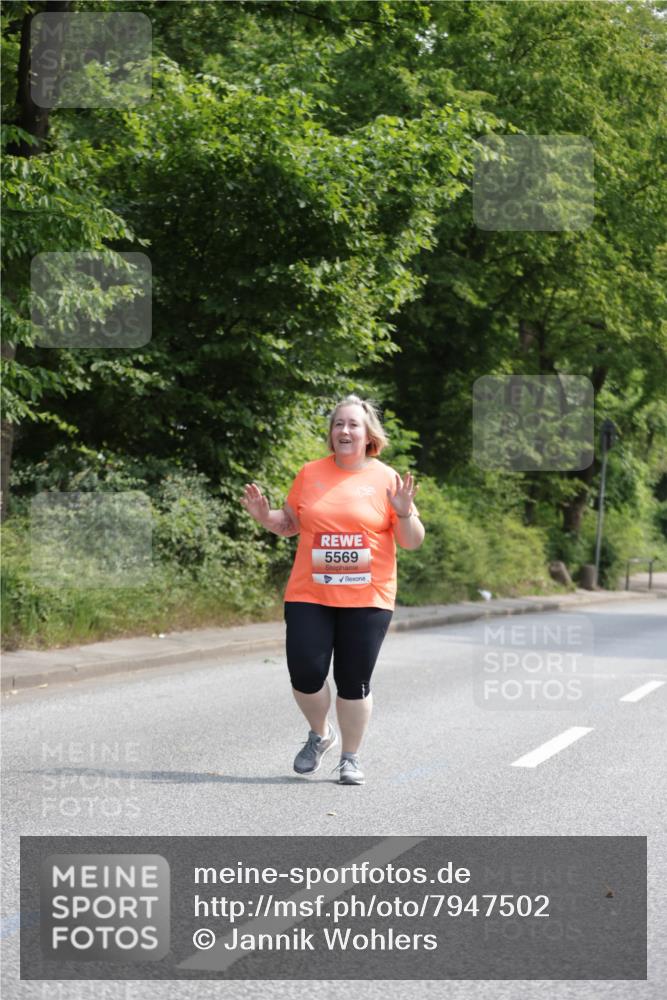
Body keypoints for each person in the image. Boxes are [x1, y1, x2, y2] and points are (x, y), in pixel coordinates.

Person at [240, 395, 425, 785]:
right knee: (305, 673)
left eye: (353, 424)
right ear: (331, 433)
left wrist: (405, 512)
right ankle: (321, 734)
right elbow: (290, 523)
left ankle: (350, 758)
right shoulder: (310, 473)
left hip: (368, 595)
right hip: (310, 592)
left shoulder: (386, 478)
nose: (345, 430)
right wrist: (264, 516)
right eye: (339, 424)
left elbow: (411, 541)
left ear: (368, 435)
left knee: (353, 680)